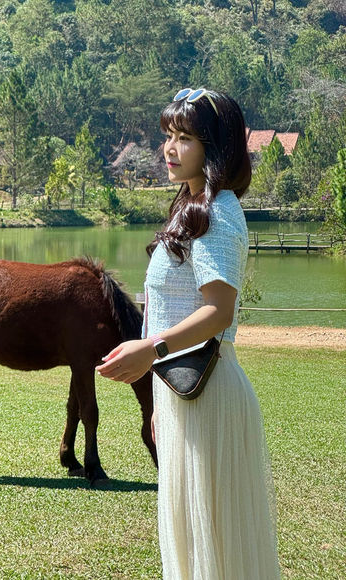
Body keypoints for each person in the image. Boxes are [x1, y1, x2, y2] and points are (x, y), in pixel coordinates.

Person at [96, 87, 280, 580]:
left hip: (210, 392)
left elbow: (220, 311)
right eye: (169, 136)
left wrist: (150, 348)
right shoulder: (190, 204)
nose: (170, 149)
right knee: (187, 535)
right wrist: (157, 402)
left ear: (214, 147)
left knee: (213, 543)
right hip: (181, 392)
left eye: (185, 138)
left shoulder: (218, 213)